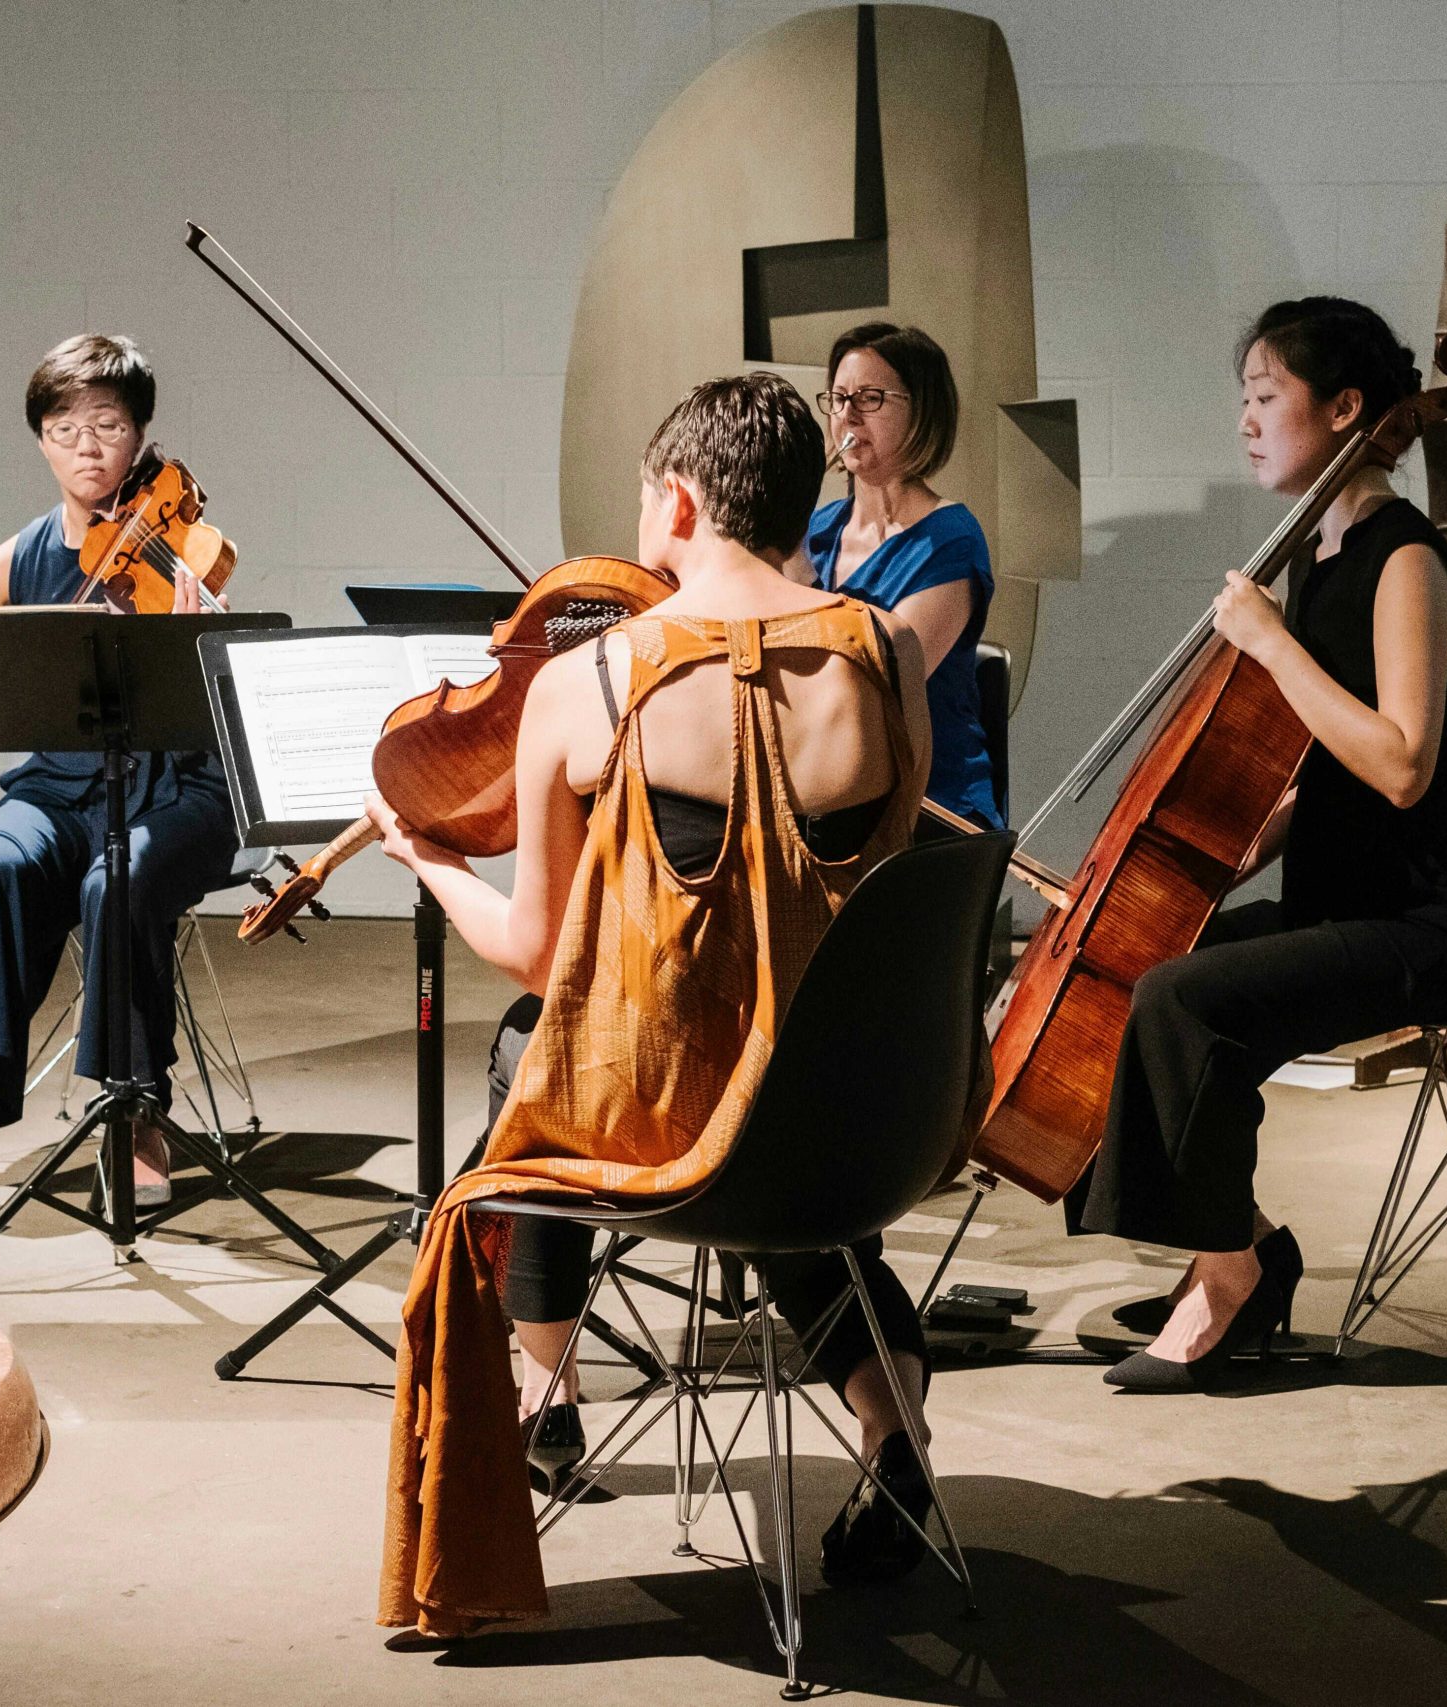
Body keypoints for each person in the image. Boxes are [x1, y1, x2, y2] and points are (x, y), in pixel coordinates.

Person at [370, 373, 941, 1638]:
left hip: (676, 1131)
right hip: (865, 1115)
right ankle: (890, 1422)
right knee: (772, 1116)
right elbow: (886, 878)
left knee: (545, 1059)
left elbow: (535, 951)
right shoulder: (885, 648)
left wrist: (434, 865)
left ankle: (545, 1394)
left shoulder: (590, 684)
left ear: (678, 501)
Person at [1065, 297, 1447, 1393]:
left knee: (1186, 1003)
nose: (1247, 422)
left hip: (1421, 926)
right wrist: (1210, 866)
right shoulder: (1318, 553)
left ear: (1345, 408)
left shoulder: (1405, 561)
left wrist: (1267, 645)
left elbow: (1400, 761)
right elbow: (1321, 768)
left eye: (1266, 399)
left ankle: (1229, 1276)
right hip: (1334, 904)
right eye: (1244, 402)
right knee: (1132, 978)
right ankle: (1242, 1244)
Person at [0, 334, 232, 1211]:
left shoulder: (187, 552)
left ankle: (138, 1107)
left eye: (108, 425)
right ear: (41, 439)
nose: (87, 445)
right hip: (61, 788)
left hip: (179, 788)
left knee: (123, 877)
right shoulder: (17, 560)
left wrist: (188, 636)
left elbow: (215, 703)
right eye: (65, 427)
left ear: (140, 436)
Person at [799, 322, 1004, 828]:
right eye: (839, 398)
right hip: (833, 798)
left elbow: (878, 695)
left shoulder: (950, 539)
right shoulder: (813, 530)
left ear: (921, 413)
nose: (846, 414)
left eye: (869, 398)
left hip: (929, 812)